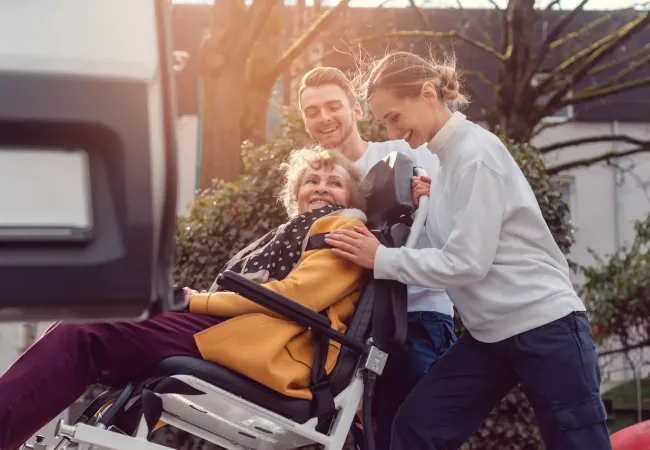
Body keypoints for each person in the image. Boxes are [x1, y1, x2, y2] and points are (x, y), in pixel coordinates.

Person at [324, 51, 612, 450]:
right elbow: (454, 237)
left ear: (427, 94)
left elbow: (467, 262)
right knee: (416, 426)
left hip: (546, 325)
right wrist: (434, 196)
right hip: (489, 335)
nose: (391, 131)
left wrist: (381, 258)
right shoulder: (444, 164)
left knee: (578, 444)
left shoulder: (475, 155)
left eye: (393, 117)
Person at [0, 146, 370, 450]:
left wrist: (197, 302)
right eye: (312, 181)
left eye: (334, 182)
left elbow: (295, 297)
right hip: (239, 330)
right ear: (295, 195)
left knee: (87, 332)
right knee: (84, 324)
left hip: (268, 346)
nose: (321, 188)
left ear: (351, 197)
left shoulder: (344, 228)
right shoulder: (286, 234)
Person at [298, 66, 456, 449]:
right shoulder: (318, 181)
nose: (324, 118)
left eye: (333, 106)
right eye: (312, 111)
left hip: (415, 317)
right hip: (349, 335)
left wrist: (432, 198)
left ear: (355, 110)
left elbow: (453, 228)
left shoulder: (403, 152)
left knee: (408, 436)